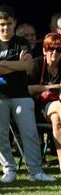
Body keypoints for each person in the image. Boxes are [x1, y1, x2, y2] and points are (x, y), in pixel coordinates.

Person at [0, 5, 55, 183]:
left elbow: (26, 66)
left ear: (14, 23)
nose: (6, 28)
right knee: (0, 135)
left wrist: (1, 64)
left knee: (29, 133)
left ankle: (35, 172)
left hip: (21, 95)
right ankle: (9, 170)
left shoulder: (22, 42)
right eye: (2, 24)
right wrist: (14, 64)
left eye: (9, 24)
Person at [28, 32, 61, 173]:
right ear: (44, 50)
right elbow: (25, 89)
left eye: (59, 50)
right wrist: (51, 88)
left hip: (55, 109)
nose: (55, 52)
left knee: (57, 119)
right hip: (37, 108)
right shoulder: (35, 64)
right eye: (51, 49)